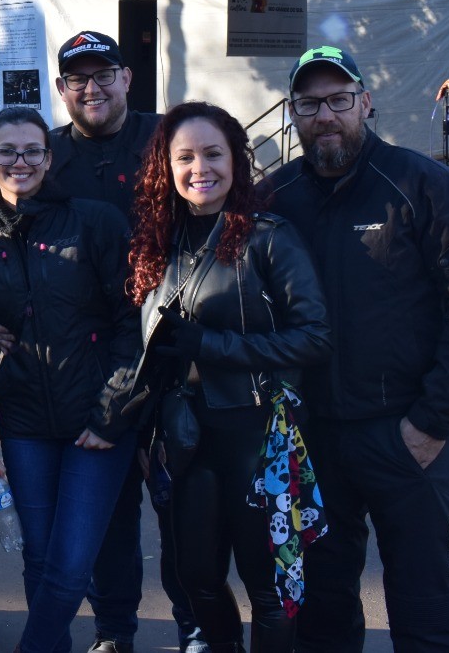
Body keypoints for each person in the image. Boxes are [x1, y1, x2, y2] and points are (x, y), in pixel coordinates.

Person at [265, 45, 449, 652]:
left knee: (432, 606)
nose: (325, 114)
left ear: (365, 104)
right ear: (293, 111)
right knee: (318, 610)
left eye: (339, 100)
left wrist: (431, 422)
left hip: (406, 436)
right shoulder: (274, 197)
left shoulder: (427, 185)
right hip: (312, 439)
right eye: (309, 102)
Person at [6, 29, 200, 653]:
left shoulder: (165, 138)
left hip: (174, 348)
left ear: (126, 79)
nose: (92, 88)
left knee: (185, 504)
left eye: (104, 74)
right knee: (110, 514)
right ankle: (116, 629)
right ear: (61, 90)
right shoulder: (46, 153)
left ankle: (199, 626)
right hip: (93, 361)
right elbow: (2, 238)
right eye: (78, 78)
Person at [126, 101, 332, 653]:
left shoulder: (269, 236)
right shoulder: (160, 242)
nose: (201, 169)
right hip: (186, 436)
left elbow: (315, 335)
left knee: (268, 588)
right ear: (165, 168)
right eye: (186, 157)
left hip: (256, 433)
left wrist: (212, 346)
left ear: (236, 161)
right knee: (196, 580)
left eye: (213, 154)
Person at [0, 107, 140, 653]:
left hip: (96, 418)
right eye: (6, 152)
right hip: (26, 422)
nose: (20, 162)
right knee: (38, 554)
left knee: (74, 557)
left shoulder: (95, 222)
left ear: (49, 158)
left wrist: (113, 412)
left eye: (32, 150)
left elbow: (133, 322)